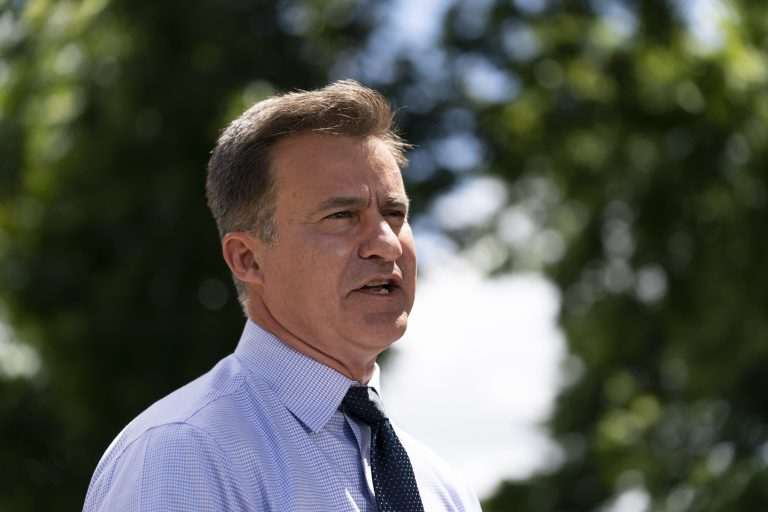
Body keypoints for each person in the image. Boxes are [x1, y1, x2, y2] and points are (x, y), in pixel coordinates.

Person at [83, 80, 481, 511]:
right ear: (248, 259)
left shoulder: (444, 491)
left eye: (394, 213)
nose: (385, 243)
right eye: (342, 215)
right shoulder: (186, 454)